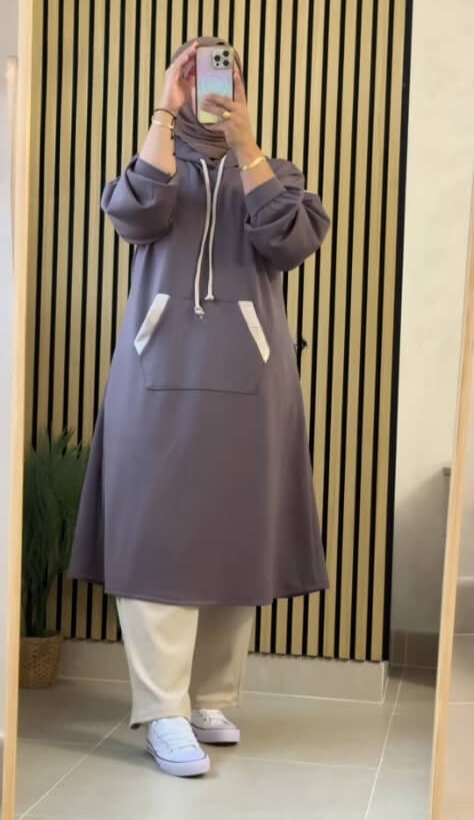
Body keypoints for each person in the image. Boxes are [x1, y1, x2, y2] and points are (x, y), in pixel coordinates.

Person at [66, 35, 331, 778]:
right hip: (155, 376)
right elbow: (133, 215)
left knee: (235, 535)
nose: (208, 85)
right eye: (195, 72)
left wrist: (246, 145)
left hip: (252, 382)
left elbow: (290, 241)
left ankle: (210, 698)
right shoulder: (156, 163)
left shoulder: (273, 172)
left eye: (222, 74)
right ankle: (163, 710)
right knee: (155, 537)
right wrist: (163, 110)